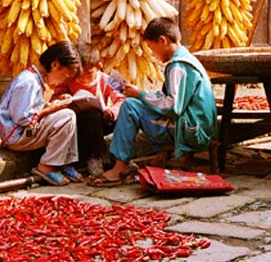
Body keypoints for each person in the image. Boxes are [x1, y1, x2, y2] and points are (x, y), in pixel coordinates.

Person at [86, 17, 218, 186]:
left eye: (151, 47)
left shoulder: (178, 66)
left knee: (130, 106)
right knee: (134, 104)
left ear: (162, 40)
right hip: (197, 125)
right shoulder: (187, 59)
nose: (152, 53)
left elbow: (172, 106)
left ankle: (120, 167)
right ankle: (125, 162)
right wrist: (144, 94)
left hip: (190, 130)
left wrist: (140, 94)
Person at [0, 41, 84, 186]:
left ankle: (63, 162)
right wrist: (49, 109)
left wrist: (50, 105)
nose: (64, 81)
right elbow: (23, 118)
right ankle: (47, 166)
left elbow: (32, 108)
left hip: (25, 132)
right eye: (64, 76)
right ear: (55, 65)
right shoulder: (28, 82)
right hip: (17, 137)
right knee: (67, 117)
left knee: (66, 114)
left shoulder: (35, 80)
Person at [53, 42, 125, 176]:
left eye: (88, 74)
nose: (83, 79)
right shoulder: (66, 81)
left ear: (98, 67)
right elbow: (54, 99)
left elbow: (121, 99)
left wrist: (112, 112)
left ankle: (121, 157)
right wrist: (64, 99)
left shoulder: (108, 79)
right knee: (91, 115)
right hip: (80, 126)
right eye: (78, 75)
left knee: (127, 112)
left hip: (102, 122)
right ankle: (95, 158)